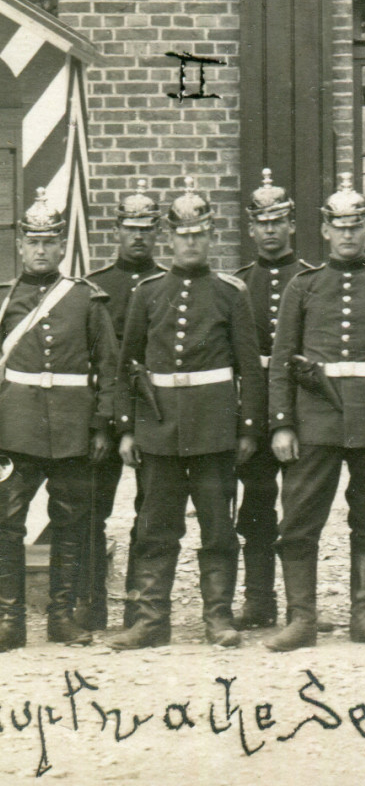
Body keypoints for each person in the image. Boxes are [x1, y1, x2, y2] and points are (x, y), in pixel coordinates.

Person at [266, 173, 365, 652]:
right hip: (315, 420)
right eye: (341, 226)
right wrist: (282, 424)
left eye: (357, 225)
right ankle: (302, 619)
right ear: (326, 230)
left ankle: (363, 615)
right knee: (298, 518)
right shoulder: (304, 287)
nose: (349, 234)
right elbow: (281, 360)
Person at [109, 178, 266, 650]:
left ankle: (218, 618)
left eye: (199, 233)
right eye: (183, 235)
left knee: (218, 526)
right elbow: (127, 366)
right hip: (159, 427)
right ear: (169, 238)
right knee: (157, 527)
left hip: (214, 427)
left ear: (210, 236)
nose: (191, 242)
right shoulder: (149, 292)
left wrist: (248, 429)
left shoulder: (229, 293)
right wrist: (126, 430)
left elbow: (249, 368)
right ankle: (152, 621)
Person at [0, 188, 117, 651]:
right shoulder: (6, 302)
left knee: (73, 520)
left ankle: (62, 617)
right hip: (15, 427)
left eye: (50, 242)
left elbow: (107, 366)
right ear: (21, 246)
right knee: (6, 520)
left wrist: (102, 425)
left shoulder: (87, 299)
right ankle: (10, 620)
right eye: (34, 242)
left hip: (72, 427)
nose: (42, 250)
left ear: (61, 246)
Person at [231, 169, 318, 632]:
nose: (269, 230)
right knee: (257, 502)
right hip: (254, 404)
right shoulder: (239, 283)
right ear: (250, 228)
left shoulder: (309, 279)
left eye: (278, 221)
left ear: (292, 225)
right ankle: (258, 599)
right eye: (261, 222)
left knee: (302, 505)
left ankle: (301, 607)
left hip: (302, 404)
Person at [83, 179, 165, 631]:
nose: (139, 236)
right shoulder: (96, 287)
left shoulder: (166, 284)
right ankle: (91, 604)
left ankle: (139, 606)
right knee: (94, 509)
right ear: (116, 229)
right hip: (104, 412)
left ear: (158, 233)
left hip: (153, 412)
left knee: (150, 512)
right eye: (131, 228)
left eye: (147, 229)